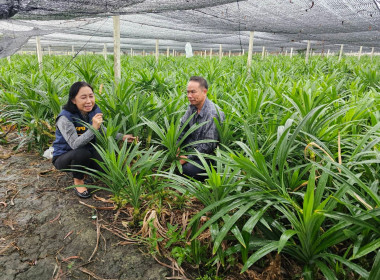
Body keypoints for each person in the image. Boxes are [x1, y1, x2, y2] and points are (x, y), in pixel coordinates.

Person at [52, 81, 136, 198]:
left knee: (106, 169)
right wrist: (93, 128)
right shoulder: (65, 117)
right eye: (83, 97)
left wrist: (122, 137)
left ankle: (85, 171)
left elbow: (102, 129)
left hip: (89, 151)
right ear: (73, 100)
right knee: (81, 153)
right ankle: (78, 181)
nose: (88, 101)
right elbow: (75, 145)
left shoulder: (94, 110)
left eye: (91, 96)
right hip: (65, 157)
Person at [177, 76, 225, 180]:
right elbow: (182, 128)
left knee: (187, 169)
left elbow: (209, 145)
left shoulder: (213, 113)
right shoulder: (192, 107)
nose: (189, 96)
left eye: (193, 92)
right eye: (188, 92)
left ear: (204, 92)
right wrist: (177, 146)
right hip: (191, 148)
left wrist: (188, 158)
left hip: (206, 155)